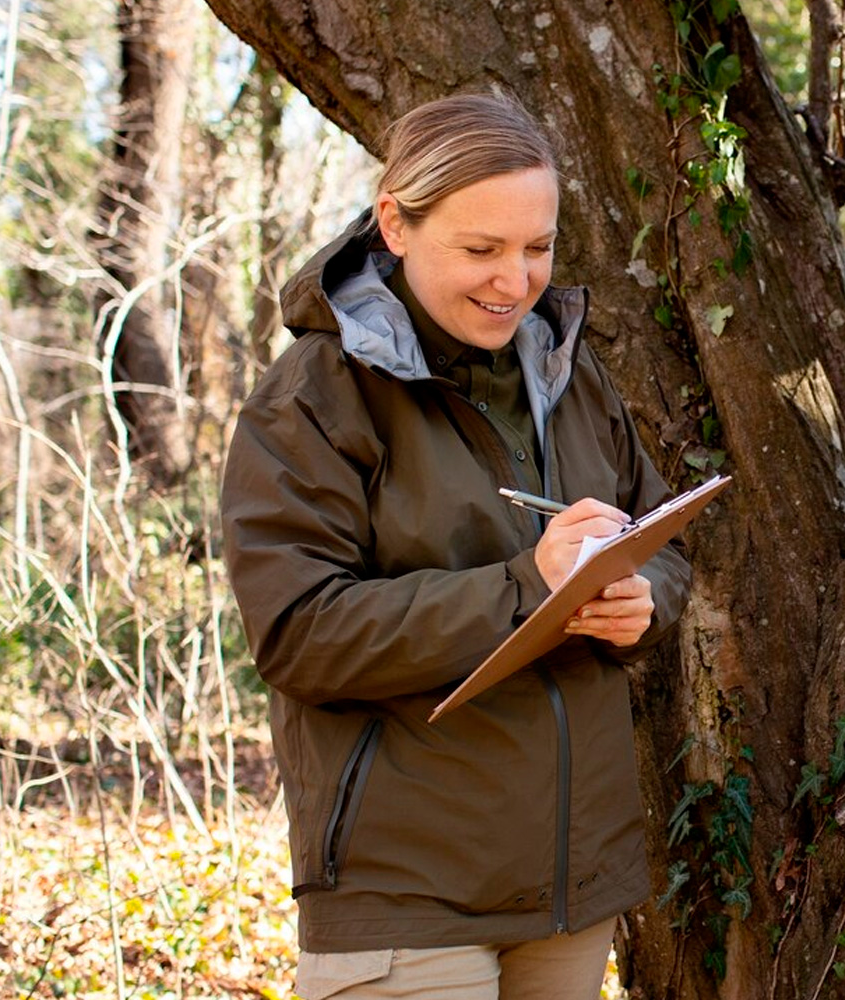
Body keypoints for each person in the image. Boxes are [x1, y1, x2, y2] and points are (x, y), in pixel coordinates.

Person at [220, 91, 691, 999]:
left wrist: (645, 598)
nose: (515, 281)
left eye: (538, 249)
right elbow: (298, 633)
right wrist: (526, 587)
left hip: (570, 887)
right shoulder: (315, 396)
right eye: (481, 250)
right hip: (407, 895)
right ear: (394, 222)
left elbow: (654, 532)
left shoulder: (567, 368)